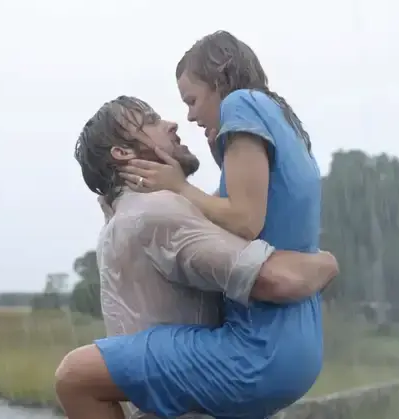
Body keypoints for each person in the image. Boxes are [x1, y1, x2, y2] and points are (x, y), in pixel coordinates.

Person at [55, 96, 337, 419]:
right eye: (150, 121)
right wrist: (326, 262)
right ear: (123, 153)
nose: (171, 124)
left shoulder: (120, 220)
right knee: (76, 373)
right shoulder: (155, 211)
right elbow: (276, 280)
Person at [119, 30, 326, 414]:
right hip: (302, 335)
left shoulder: (241, 103)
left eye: (192, 100)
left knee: (84, 373)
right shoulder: (281, 117)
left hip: (261, 343)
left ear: (221, 78)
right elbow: (261, 208)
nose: (190, 116)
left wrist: (179, 186)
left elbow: (245, 221)